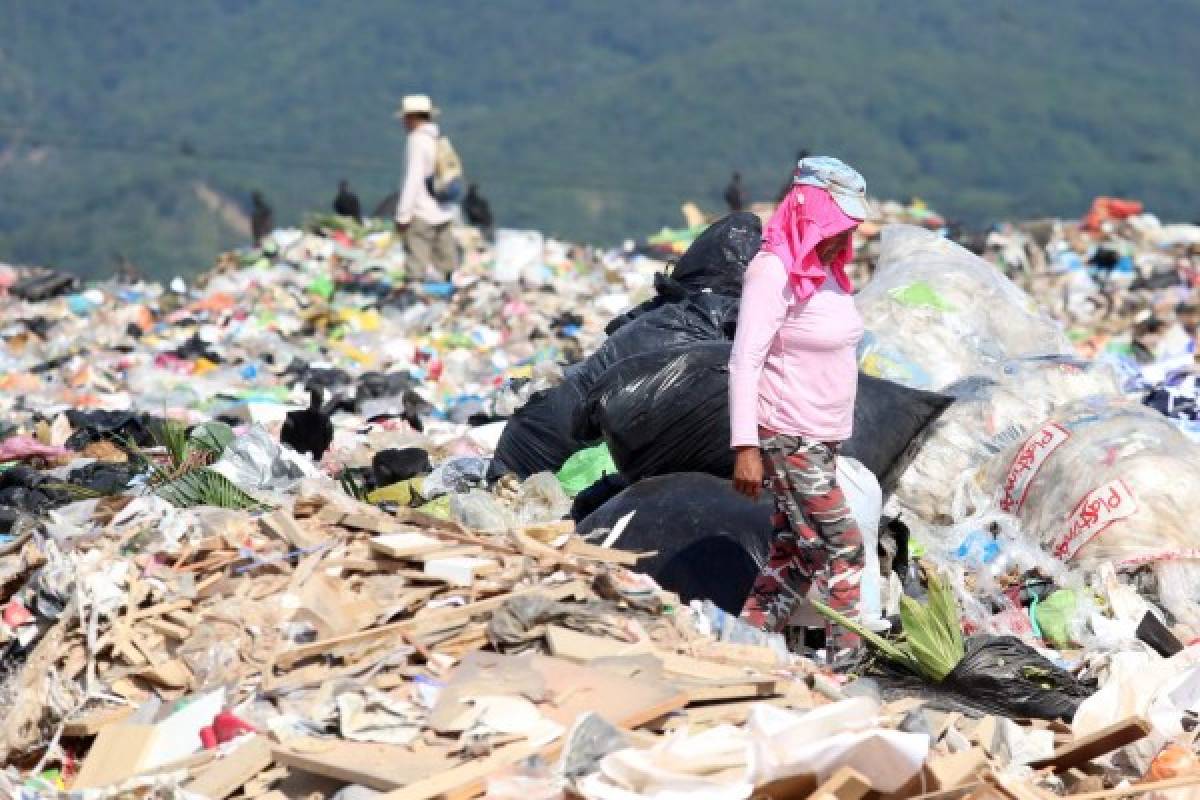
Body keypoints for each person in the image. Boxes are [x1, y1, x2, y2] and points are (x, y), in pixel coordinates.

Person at [728, 156, 870, 649]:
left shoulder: (828, 274)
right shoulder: (773, 272)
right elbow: (745, 359)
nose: (842, 235)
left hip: (821, 436)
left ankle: (745, 644)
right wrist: (745, 446)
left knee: (795, 552)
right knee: (842, 547)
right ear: (812, 215)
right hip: (788, 435)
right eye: (837, 222)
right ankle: (845, 664)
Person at [394, 94, 457, 278]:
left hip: (421, 213)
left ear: (412, 118)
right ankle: (447, 297)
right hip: (443, 210)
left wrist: (403, 215)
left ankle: (416, 299)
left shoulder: (417, 140)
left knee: (417, 264)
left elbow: (413, 179)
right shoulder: (437, 139)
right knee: (446, 264)